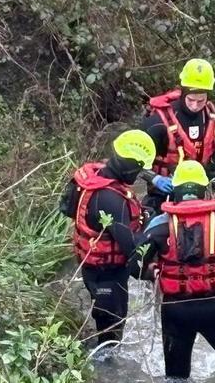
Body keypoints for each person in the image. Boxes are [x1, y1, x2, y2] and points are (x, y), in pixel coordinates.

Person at [137, 160, 215, 379]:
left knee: (177, 377)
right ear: (203, 189)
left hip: (176, 311)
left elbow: (135, 265)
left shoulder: (159, 225)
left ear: (175, 190)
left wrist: (154, 272)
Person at [59, 129, 155, 347]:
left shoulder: (95, 177)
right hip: (108, 275)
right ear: (128, 166)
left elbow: (68, 209)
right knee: (111, 329)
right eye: (138, 169)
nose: (138, 175)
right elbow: (132, 247)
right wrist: (151, 270)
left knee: (103, 316)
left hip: (92, 267)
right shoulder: (112, 200)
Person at [140, 58, 215, 217]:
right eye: (191, 100)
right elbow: (131, 161)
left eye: (201, 101)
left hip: (204, 188)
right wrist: (155, 178)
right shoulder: (157, 122)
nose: (195, 106)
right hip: (167, 193)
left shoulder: (213, 115)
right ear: (183, 92)